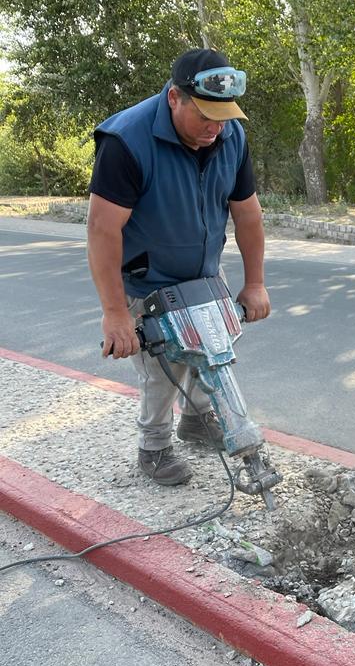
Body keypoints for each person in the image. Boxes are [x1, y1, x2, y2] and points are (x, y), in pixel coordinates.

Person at [87, 49, 270, 487]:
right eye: (206, 115)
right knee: (161, 373)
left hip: (204, 274)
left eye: (224, 117)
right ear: (174, 98)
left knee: (213, 352)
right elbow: (102, 230)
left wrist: (255, 283)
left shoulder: (230, 138)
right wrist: (115, 313)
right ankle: (153, 447)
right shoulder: (127, 141)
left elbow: (248, 215)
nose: (215, 127)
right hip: (146, 281)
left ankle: (196, 421)